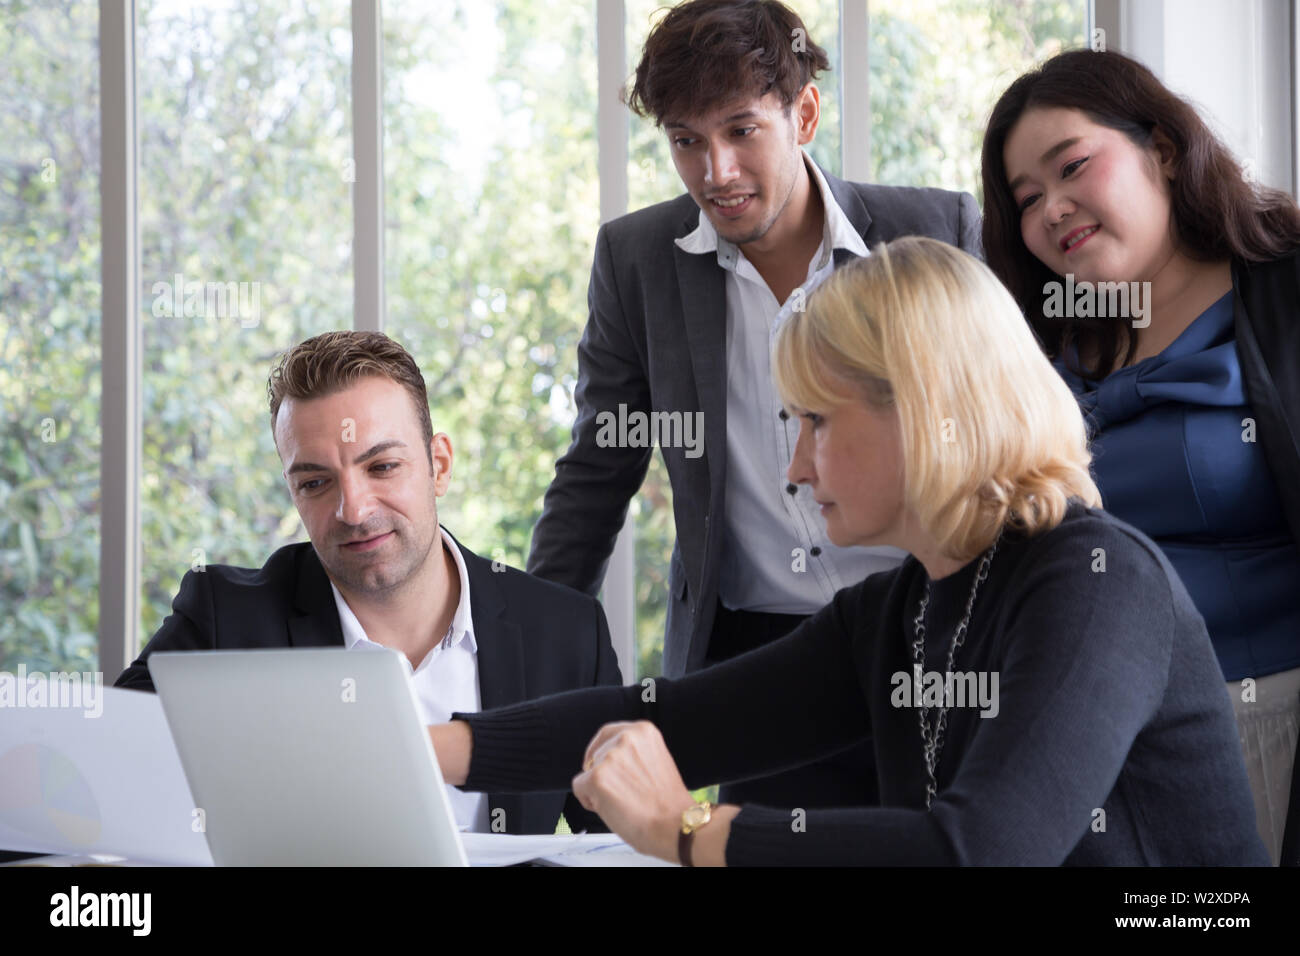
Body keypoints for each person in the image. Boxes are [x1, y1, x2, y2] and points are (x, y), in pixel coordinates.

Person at [425, 237, 1268, 865]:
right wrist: (431, 746)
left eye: (816, 422)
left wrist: (690, 832)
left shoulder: (1097, 584)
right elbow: (680, 718)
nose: (794, 468)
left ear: (924, 407)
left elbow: (978, 853)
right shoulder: (901, 607)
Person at [526, 0, 981, 811]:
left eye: (741, 131)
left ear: (803, 113)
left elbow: (1003, 439)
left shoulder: (936, 230)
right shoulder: (637, 261)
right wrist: (527, 655)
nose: (716, 173)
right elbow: (596, 476)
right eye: (686, 141)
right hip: (763, 659)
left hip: (931, 631)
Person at [982, 48, 1300, 866]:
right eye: (1026, 199)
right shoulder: (1038, 349)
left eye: (1072, 166)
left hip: (1264, 726)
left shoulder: (1284, 293)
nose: (1052, 208)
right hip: (1091, 740)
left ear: (1161, 148)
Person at [115, 330, 622, 836]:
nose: (353, 510)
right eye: (315, 482)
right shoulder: (224, 619)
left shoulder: (568, 633)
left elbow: (621, 841)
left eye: (382, 466)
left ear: (438, 466)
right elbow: (103, 780)